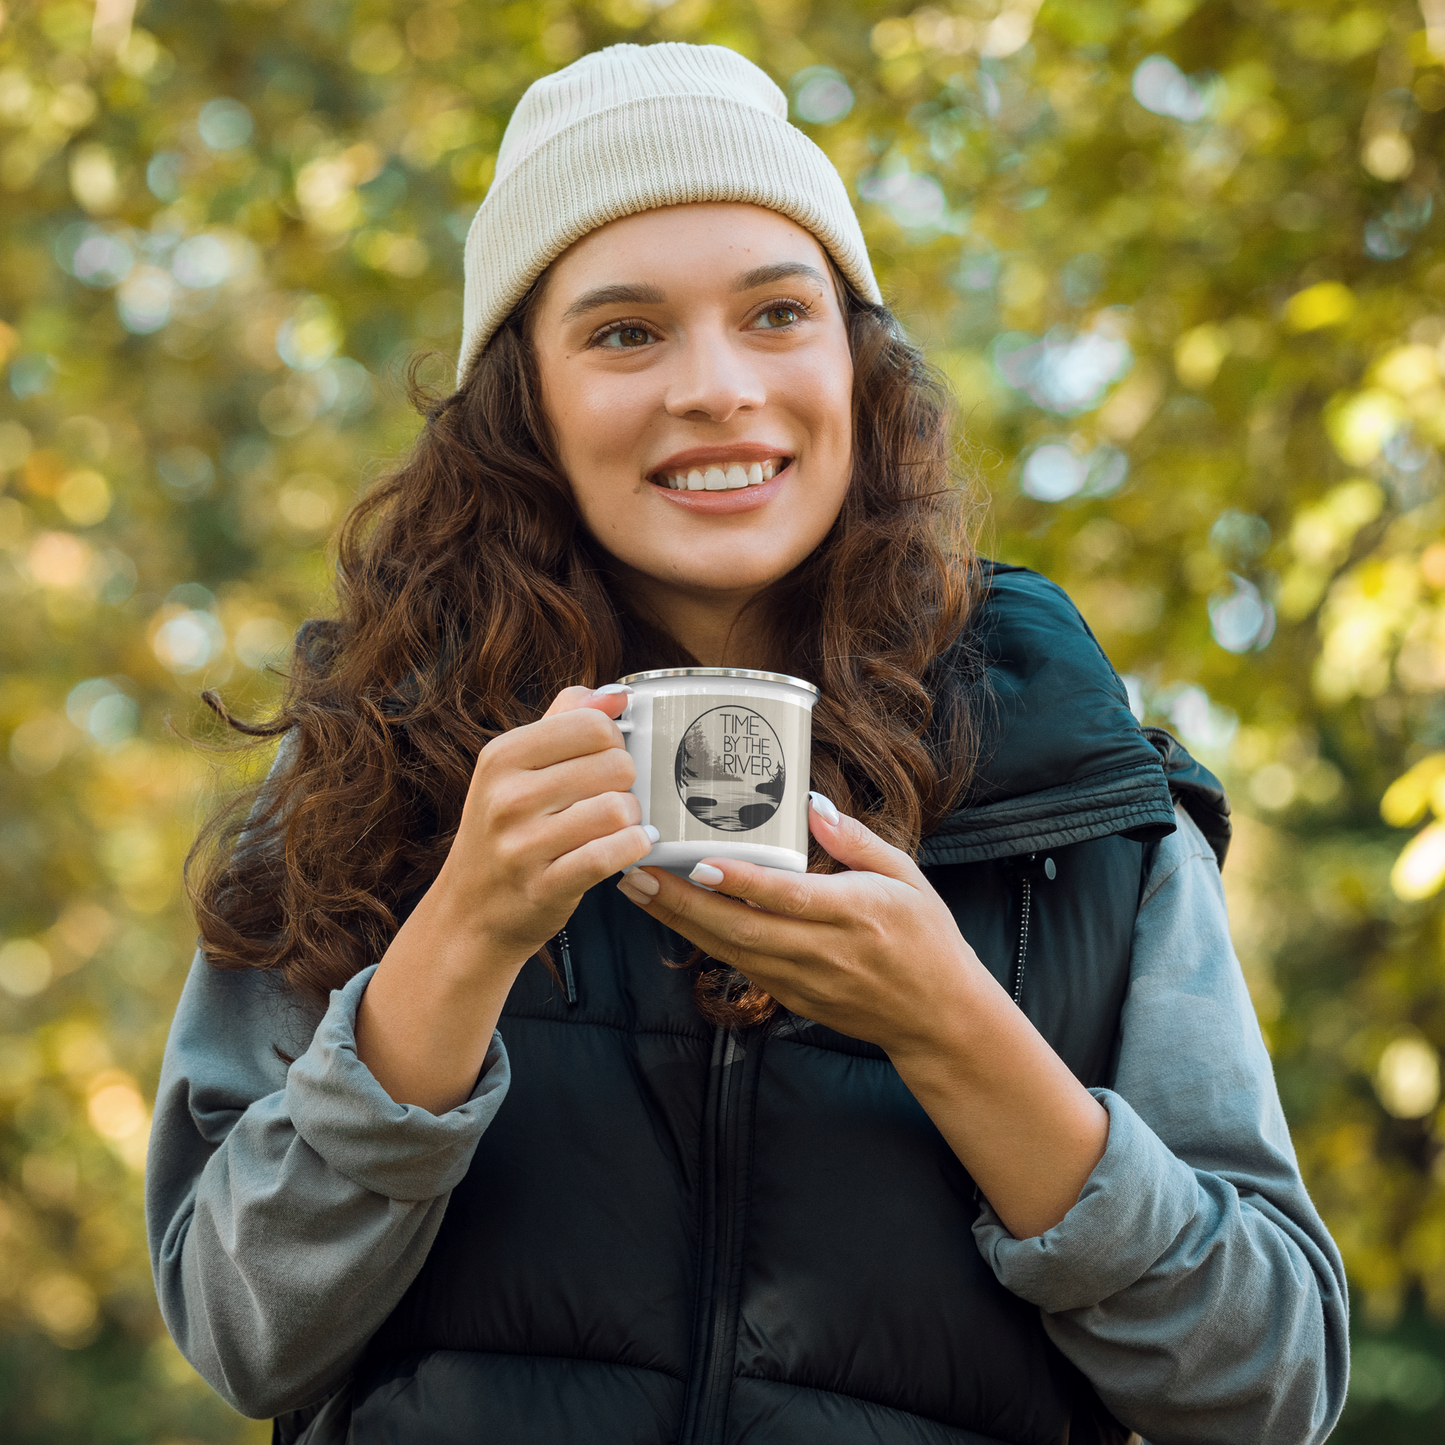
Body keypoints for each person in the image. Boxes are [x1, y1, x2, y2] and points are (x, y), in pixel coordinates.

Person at [146, 42, 1348, 1445]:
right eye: (624, 332)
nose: (716, 387)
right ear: (523, 401)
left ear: (857, 362)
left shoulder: (1075, 797)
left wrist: (951, 1026)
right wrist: (460, 939)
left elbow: (1271, 1387)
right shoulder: (373, 770)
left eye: (778, 313)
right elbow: (240, 1335)